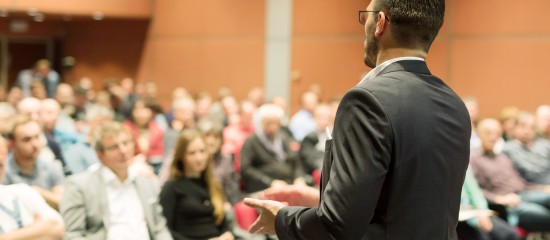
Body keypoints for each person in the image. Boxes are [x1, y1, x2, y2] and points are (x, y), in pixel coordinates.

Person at [244, 0, 471, 239]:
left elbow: (337, 226)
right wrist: (325, 198)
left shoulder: (368, 100)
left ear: (380, 23)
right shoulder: (454, 104)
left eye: (366, 17)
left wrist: (281, 219)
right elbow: (408, 202)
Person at [60, 121, 172, 240]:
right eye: (114, 147)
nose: (123, 151)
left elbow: (159, 228)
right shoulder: (79, 185)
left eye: (126, 143)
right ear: (100, 155)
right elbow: (73, 235)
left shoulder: (146, 181)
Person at [470, 118, 550, 232]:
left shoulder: (503, 157)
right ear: (478, 134)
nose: (493, 137)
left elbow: (522, 184)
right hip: (508, 204)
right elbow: (475, 191)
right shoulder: (473, 159)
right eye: (488, 133)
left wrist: (543, 188)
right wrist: (499, 199)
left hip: (524, 194)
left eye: (497, 133)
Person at [159, 129, 234, 240]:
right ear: (181, 156)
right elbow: (166, 230)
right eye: (192, 153)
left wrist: (227, 234)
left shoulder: (213, 185)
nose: (199, 158)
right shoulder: (171, 188)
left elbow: (223, 223)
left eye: (202, 151)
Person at [0, 135, 65, 240]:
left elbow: (58, 227)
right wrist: (36, 230)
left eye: (0, 165)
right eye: (27, 139)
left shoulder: (22, 191)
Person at [3, 115, 65, 210]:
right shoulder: (3, 171)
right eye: (27, 140)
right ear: (12, 144)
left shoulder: (51, 166)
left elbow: (62, 202)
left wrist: (37, 192)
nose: (35, 144)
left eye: (37, 137)